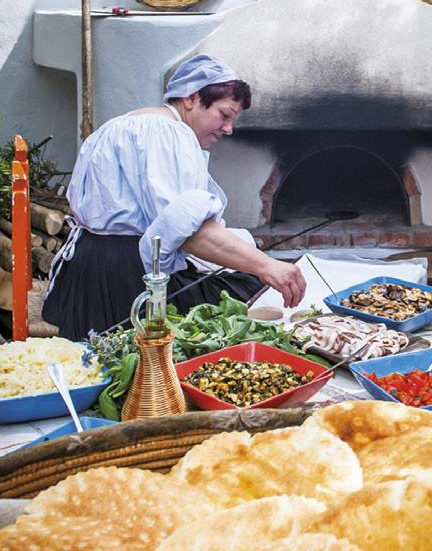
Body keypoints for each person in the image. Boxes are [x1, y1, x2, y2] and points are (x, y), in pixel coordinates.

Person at [43, 53, 306, 338]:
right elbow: (185, 231)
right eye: (224, 115)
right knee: (248, 297)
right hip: (126, 276)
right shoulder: (167, 133)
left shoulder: (117, 126)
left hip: (87, 264)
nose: (228, 129)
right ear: (192, 98)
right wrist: (266, 266)